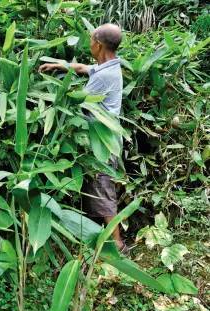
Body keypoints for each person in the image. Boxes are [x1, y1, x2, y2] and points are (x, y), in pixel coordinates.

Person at [39, 23, 126, 251]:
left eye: (90, 40)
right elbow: (85, 69)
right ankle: (98, 238)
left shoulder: (104, 76)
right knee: (97, 188)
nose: (89, 44)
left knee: (103, 190)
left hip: (102, 142)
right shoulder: (110, 67)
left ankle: (117, 245)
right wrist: (60, 65)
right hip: (104, 137)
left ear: (98, 44)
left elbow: (77, 100)